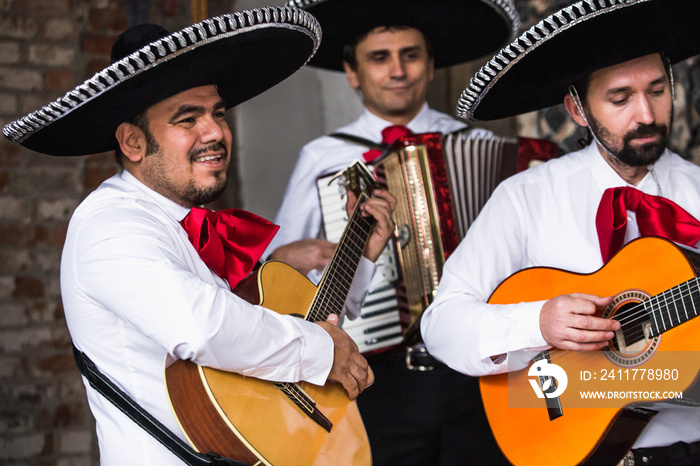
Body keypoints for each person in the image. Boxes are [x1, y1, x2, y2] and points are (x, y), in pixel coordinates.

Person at [3, 8, 398, 465]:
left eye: (218, 113)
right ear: (133, 143)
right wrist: (320, 350)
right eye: (187, 119)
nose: (216, 132)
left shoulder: (194, 225)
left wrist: (360, 257)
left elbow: (273, 337)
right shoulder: (108, 225)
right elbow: (205, 327)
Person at [421, 0, 700, 464]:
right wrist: (538, 322)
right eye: (620, 99)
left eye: (657, 90)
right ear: (578, 109)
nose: (647, 114)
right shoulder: (526, 197)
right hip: (568, 443)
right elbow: (442, 323)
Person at [267, 0, 519, 464]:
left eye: (411, 54)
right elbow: (283, 269)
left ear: (430, 65)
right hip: (378, 375)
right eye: (379, 57)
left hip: (481, 372)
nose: (397, 70)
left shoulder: (480, 146)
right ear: (352, 72)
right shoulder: (322, 157)